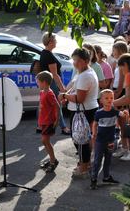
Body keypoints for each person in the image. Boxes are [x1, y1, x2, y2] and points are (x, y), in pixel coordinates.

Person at [59, 48, 99, 177]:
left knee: (80, 140)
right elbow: (73, 89)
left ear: (86, 61)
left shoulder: (85, 75)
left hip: (83, 111)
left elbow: (79, 98)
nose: (74, 63)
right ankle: (85, 163)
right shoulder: (82, 73)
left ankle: (84, 167)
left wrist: (65, 96)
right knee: (81, 139)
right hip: (84, 110)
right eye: (74, 60)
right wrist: (66, 94)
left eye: (77, 60)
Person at [90, 89, 128, 190]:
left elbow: (123, 115)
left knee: (108, 159)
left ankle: (106, 177)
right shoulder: (99, 113)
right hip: (100, 141)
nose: (109, 100)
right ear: (101, 101)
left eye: (111, 98)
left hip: (110, 140)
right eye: (106, 98)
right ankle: (94, 179)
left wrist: (125, 113)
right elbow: (95, 123)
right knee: (98, 160)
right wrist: (94, 133)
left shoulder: (114, 111)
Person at [39, 32, 70, 135]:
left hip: (47, 84)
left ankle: (40, 125)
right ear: (51, 42)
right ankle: (64, 127)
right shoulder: (49, 56)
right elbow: (55, 75)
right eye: (55, 40)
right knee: (58, 105)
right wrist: (62, 88)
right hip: (52, 84)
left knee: (44, 104)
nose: (56, 42)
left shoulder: (44, 53)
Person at [111, 41, 130, 161]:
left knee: (124, 122)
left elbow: (120, 85)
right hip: (117, 91)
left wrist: (115, 96)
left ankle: (128, 149)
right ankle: (124, 147)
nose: (112, 52)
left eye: (114, 50)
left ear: (120, 51)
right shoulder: (118, 63)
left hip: (121, 92)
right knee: (120, 121)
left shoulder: (122, 65)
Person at [36, 71, 60, 173]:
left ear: (44, 82)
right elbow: (42, 106)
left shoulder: (50, 94)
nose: (37, 84)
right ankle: (52, 159)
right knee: (44, 141)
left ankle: (53, 161)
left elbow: (57, 107)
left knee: (45, 141)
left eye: (38, 82)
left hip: (49, 121)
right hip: (43, 121)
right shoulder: (42, 92)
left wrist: (56, 121)